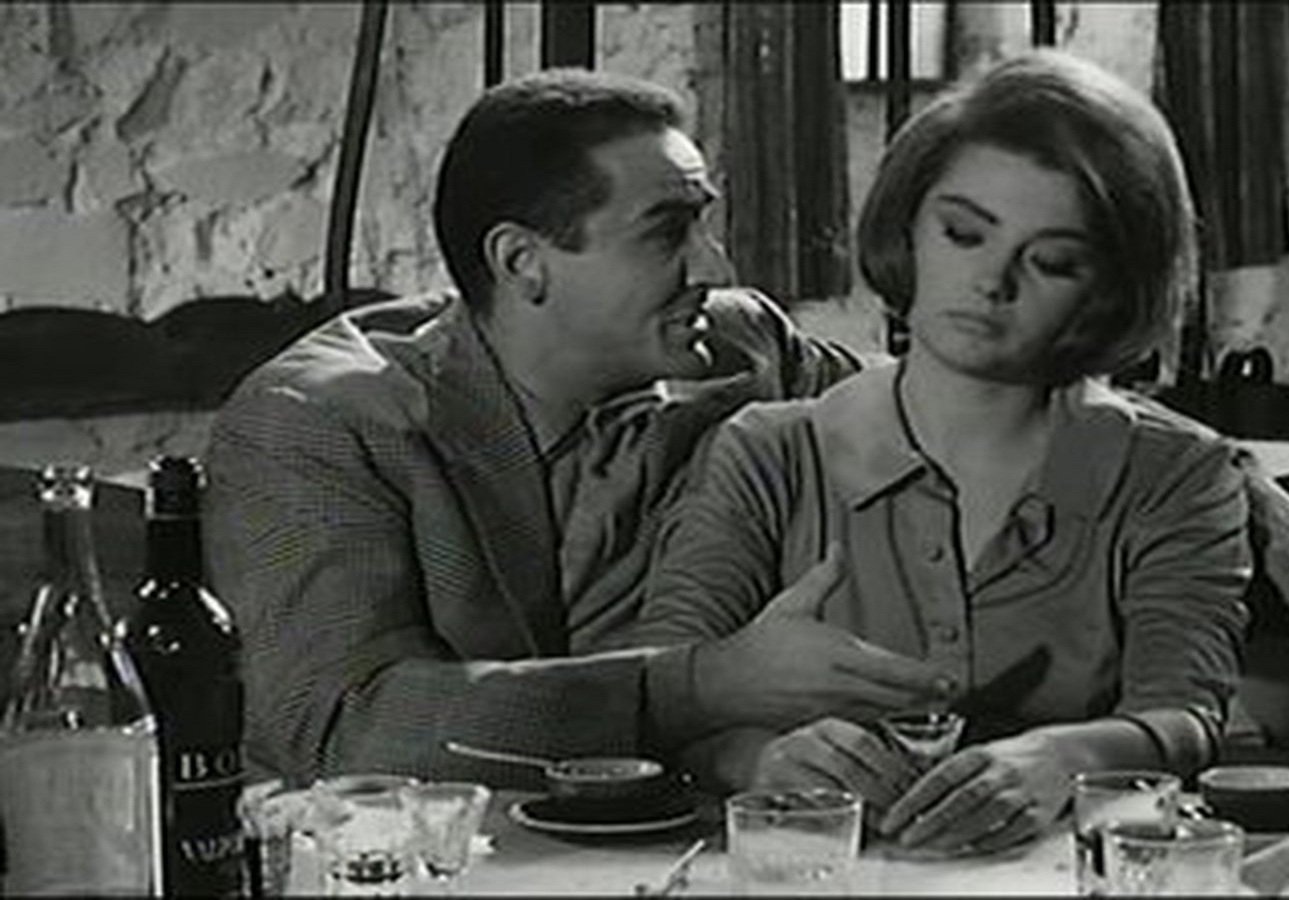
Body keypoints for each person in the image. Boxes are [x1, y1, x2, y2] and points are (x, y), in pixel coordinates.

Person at [202, 69, 954, 787]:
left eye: (703, 223)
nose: (715, 267)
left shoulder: (743, 348)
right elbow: (344, 732)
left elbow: (963, 412)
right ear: (522, 261)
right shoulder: (322, 422)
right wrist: (701, 688)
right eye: (667, 232)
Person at [628, 49, 1267, 855]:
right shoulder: (770, 452)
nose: (991, 282)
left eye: (1052, 262)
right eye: (963, 233)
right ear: (909, 227)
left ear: (1109, 289)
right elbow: (659, 688)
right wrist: (758, 759)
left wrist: (1067, 757)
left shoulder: (1175, 473)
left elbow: (1185, 714)